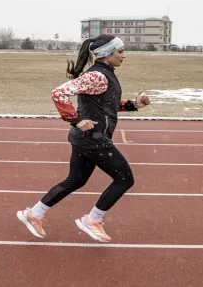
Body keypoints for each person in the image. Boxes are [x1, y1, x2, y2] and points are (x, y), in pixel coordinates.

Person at [17, 35, 151, 242]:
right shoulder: (98, 76)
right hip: (93, 139)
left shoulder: (105, 74)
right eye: (120, 52)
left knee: (76, 179)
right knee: (124, 179)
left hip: (86, 138)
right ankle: (92, 220)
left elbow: (106, 105)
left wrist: (134, 105)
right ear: (107, 54)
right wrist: (76, 119)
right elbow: (59, 93)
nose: (124, 56)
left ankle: (33, 214)